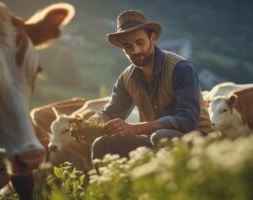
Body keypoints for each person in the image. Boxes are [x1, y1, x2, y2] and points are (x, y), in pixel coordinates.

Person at [91, 10, 213, 161]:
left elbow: (187, 120)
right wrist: (88, 124)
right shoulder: (127, 78)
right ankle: (115, 185)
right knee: (102, 145)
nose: (135, 51)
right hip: (155, 140)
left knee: (160, 136)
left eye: (139, 42)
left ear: (152, 38)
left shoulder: (180, 68)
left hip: (197, 139)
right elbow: (110, 113)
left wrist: (134, 129)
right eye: (128, 47)